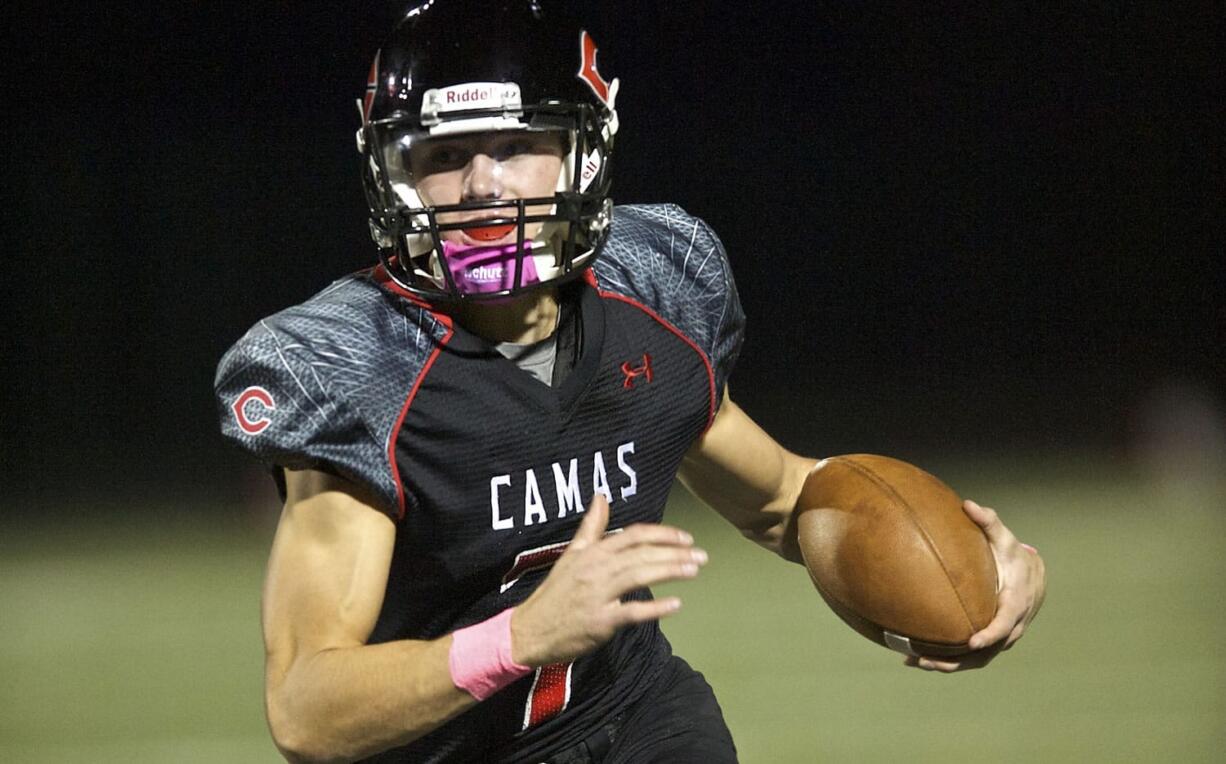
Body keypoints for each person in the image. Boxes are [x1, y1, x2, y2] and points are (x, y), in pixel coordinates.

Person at [214, 3, 1046, 762]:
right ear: (391, 173)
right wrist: (519, 637)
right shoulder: (358, 365)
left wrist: (967, 577)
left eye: (516, 147)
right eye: (445, 156)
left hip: (637, 724)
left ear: (584, 152)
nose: (482, 186)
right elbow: (305, 709)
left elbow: (787, 501)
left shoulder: (656, 291)